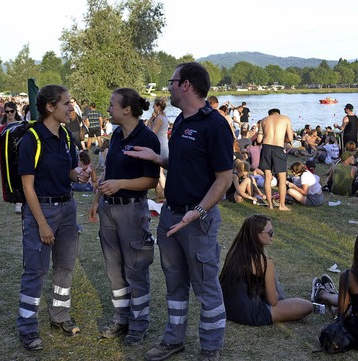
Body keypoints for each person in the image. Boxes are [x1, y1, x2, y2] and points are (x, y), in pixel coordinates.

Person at [126, 62, 232, 361]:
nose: (168, 86)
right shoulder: (182, 122)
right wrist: (157, 158)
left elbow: (224, 178)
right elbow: (185, 165)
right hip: (171, 215)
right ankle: (174, 340)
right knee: (174, 283)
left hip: (197, 221)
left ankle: (210, 349)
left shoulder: (215, 125)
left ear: (186, 85)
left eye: (172, 81)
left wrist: (198, 211)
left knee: (206, 287)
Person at [87, 88, 160, 346]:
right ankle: (122, 318)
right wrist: (98, 198)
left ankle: (139, 323)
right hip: (109, 209)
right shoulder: (117, 134)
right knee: (113, 269)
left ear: (126, 110)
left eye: (111, 105)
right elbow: (108, 170)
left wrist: (119, 185)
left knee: (136, 269)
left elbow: (151, 180)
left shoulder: (147, 137)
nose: (108, 109)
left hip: (132, 210)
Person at [16, 85, 81, 351]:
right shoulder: (32, 138)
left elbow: (69, 172)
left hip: (67, 208)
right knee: (35, 271)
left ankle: (60, 316)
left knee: (65, 268)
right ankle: (28, 327)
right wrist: (41, 222)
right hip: (42, 210)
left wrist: (80, 175)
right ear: (50, 107)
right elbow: (28, 186)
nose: (71, 108)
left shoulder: (65, 135)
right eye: (66, 103)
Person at [220, 215, 313, 326]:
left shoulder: (234, 253)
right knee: (307, 306)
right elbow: (273, 301)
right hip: (250, 314)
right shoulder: (264, 262)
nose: (273, 235)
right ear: (257, 234)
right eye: (270, 232)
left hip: (226, 308)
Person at [257, 108, 293, 211]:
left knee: (268, 177)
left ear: (269, 114)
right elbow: (290, 138)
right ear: (278, 113)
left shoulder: (264, 120)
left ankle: (270, 205)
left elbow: (259, 140)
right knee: (282, 178)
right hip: (278, 148)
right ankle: (282, 205)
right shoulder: (285, 119)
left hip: (266, 148)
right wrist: (283, 139)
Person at [149, 96, 169, 201]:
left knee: (158, 172)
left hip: (159, 146)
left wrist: (150, 121)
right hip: (165, 145)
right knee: (159, 171)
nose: (152, 107)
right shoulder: (165, 117)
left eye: (154, 105)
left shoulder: (158, 119)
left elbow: (152, 134)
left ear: (158, 106)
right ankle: (161, 193)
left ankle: (164, 192)